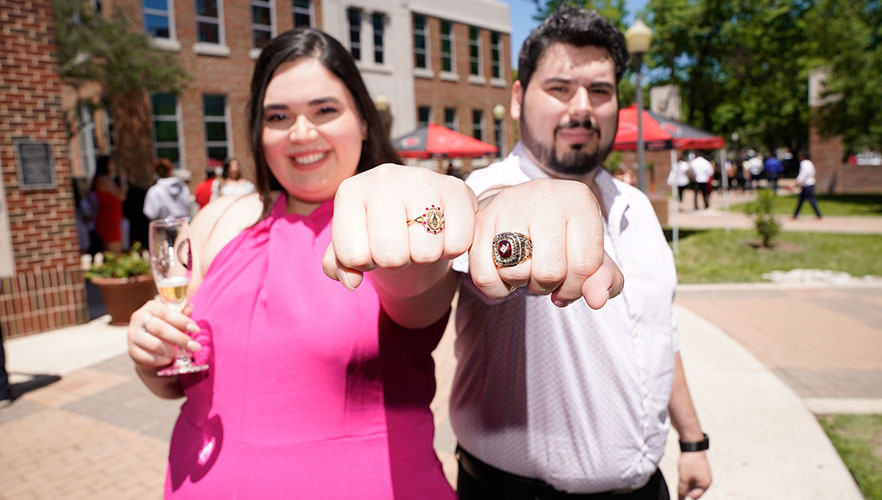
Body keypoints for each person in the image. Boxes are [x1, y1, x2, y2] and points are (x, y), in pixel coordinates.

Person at [126, 28, 621, 499]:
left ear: (363, 119)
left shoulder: (391, 221)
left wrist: (497, 206)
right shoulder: (220, 220)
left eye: (324, 109)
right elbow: (181, 378)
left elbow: (415, 277)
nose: (302, 132)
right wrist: (152, 352)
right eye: (278, 117)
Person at [449, 8, 712, 500]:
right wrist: (498, 211)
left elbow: (658, 332)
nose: (581, 108)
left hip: (647, 485)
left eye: (600, 91)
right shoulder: (487, 189)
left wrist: (693, 438)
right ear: (517, 97)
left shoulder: (635, 205)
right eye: (559, 88)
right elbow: (480, 226)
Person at [92, 155, 126, 253]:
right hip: (108, 220)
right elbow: (121, 196)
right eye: (112, 163)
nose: (114, 165)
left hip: (113, 218)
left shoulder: (106, 179)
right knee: (114, 252)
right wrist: (123, 182)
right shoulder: (104, 179)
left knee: (113, 251)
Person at [792, 152, 822, 219]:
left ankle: (818, 214)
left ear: (803, 157)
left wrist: (796, 183)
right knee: (801, 201)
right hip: (810, 184)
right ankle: (795, 215)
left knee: (811, 200)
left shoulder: (804, 164)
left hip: (807, 185)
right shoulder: (810, 163)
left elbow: (803, 174)